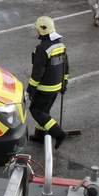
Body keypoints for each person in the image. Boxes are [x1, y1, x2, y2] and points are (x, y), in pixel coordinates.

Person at [27, 16, 70, 150]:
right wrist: (64, 83)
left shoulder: (42, 49)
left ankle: (58, 133)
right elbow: (66, 67)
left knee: (36, 110)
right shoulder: (60, 45)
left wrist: (31, 89)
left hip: (44, 88)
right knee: (44, 111)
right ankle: (40, 135)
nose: (37, 32)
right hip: (56, 86)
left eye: (38, 29)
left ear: (43, 30)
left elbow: (37, 72)